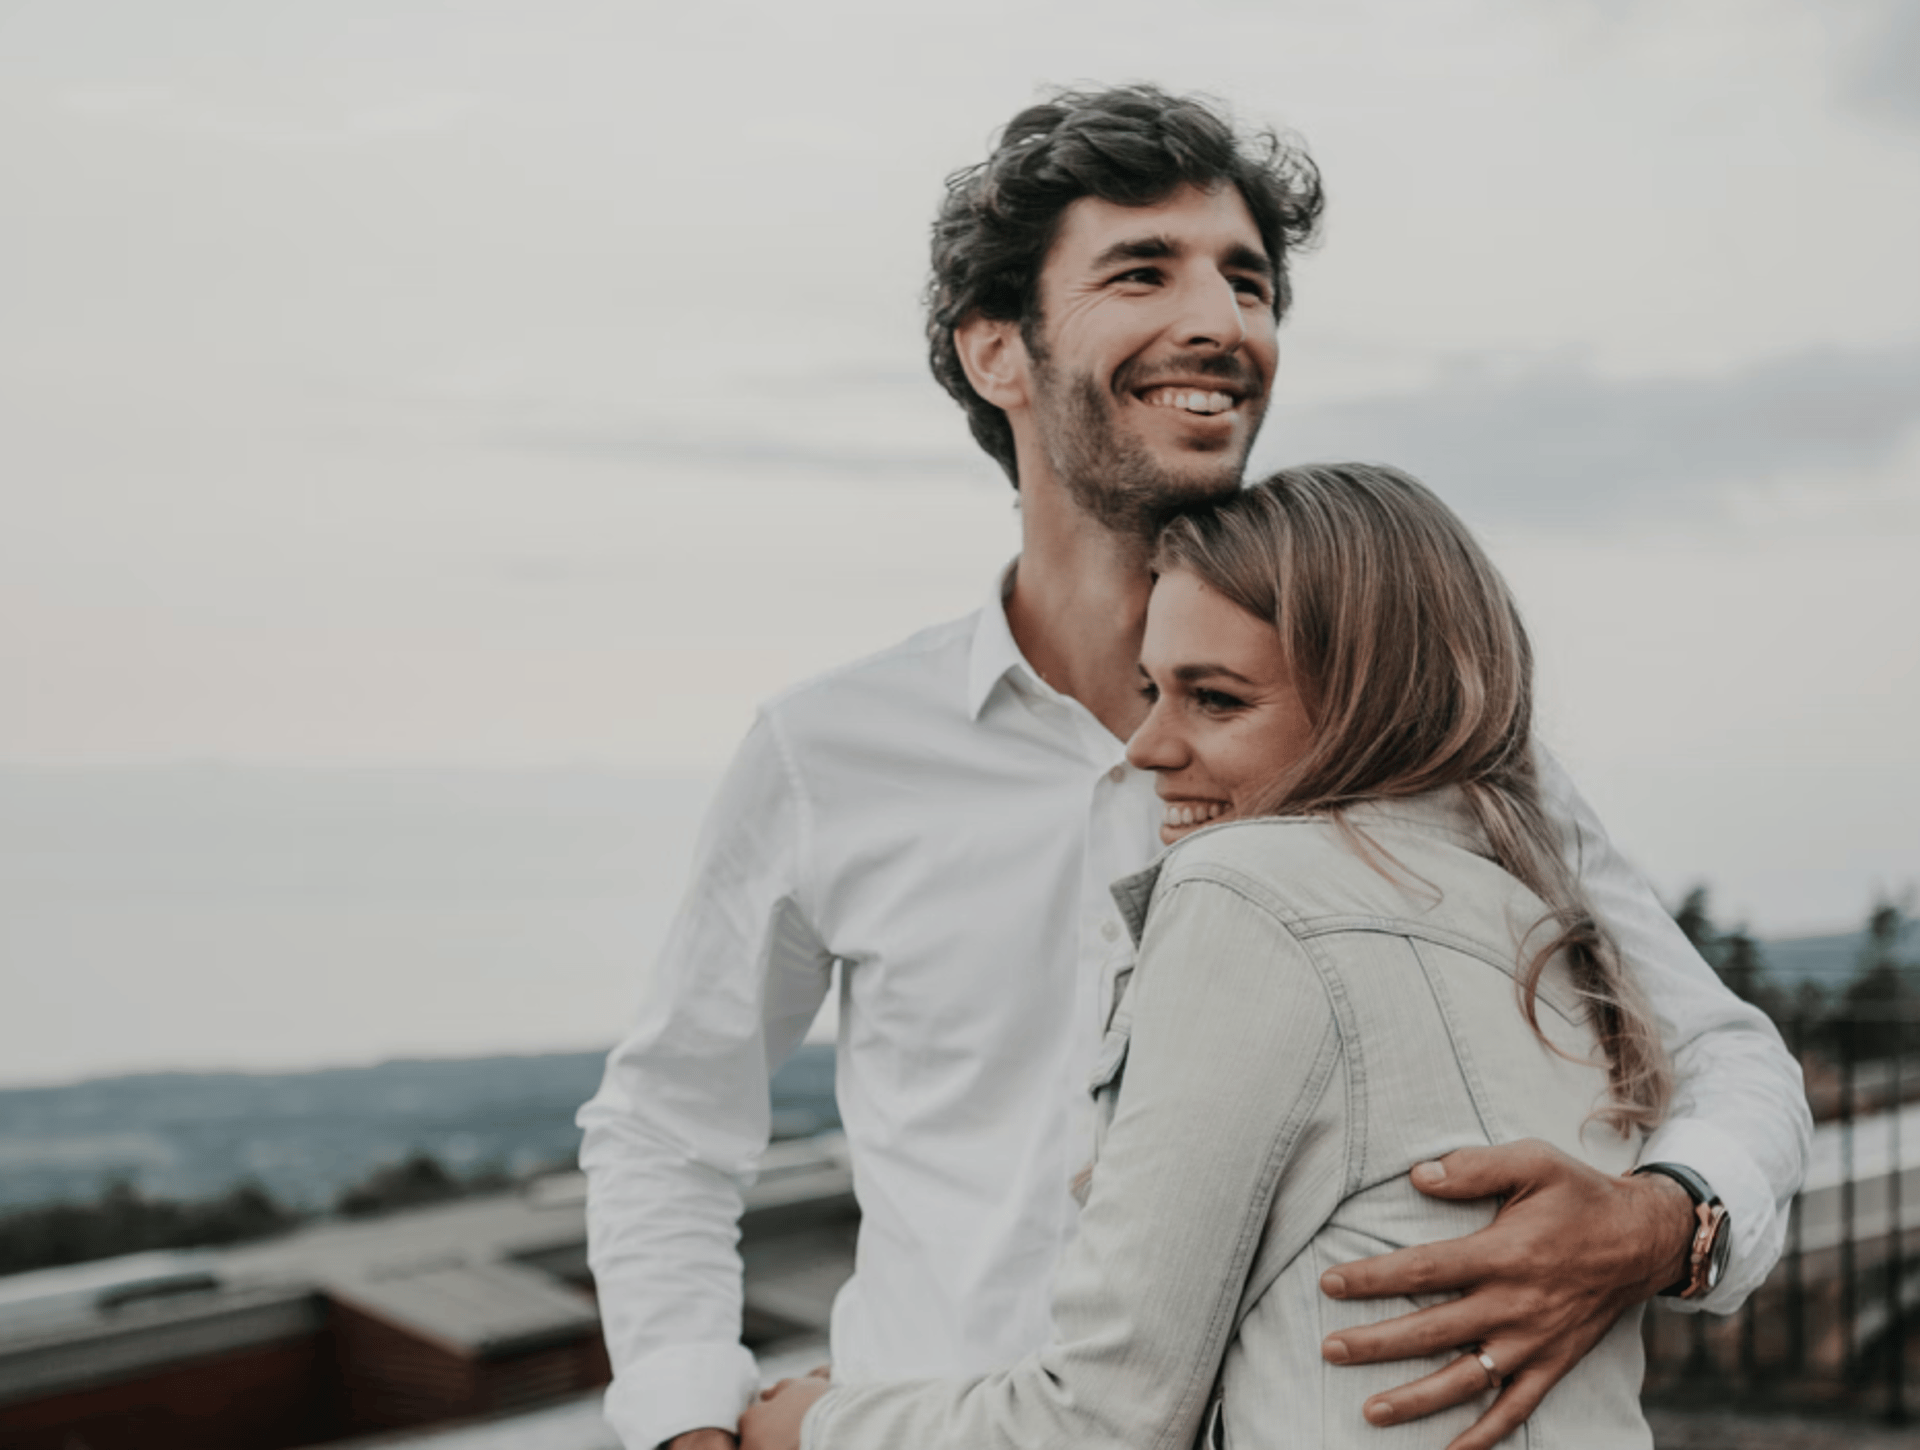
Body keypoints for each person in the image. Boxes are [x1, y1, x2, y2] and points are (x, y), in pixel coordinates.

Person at [578, 85, 1810, 1450]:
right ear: (998, 350)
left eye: (1250, 280)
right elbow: (667, 1129)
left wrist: (1661, 1220)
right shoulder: (828, 752)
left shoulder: (1413, 727)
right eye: (1142, 271)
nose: (1223, 323)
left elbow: (1723, 1052)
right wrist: (689, 1420)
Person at [739, 463, 1676, 1450]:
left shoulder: (1248, 893)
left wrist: (812, 1426)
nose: (1146, 746)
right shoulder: (1545, 918)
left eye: (1215, 700)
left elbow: (1101, 1422)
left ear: (1374, 702)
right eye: (1154, 689)